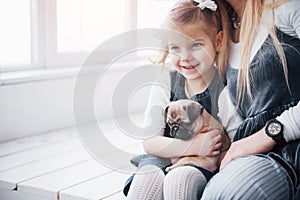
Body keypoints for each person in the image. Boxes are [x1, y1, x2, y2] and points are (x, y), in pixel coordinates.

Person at [124, 0, 230, 199]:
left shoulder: (223, 89)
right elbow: (150, 142)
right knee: (146, 182)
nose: (185, 57)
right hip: (162, 155)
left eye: (196, 45)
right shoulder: (166, 81)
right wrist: (193, 146)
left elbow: (229, 142)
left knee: (179, 180)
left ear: (217, 41)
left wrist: (201, 154)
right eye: (175, 48)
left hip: (200, 163)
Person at [201, 0, 300, 199]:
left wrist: (270, 133)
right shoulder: (218, 28)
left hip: (290, 147)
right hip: (246, 149)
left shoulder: (286, 8)